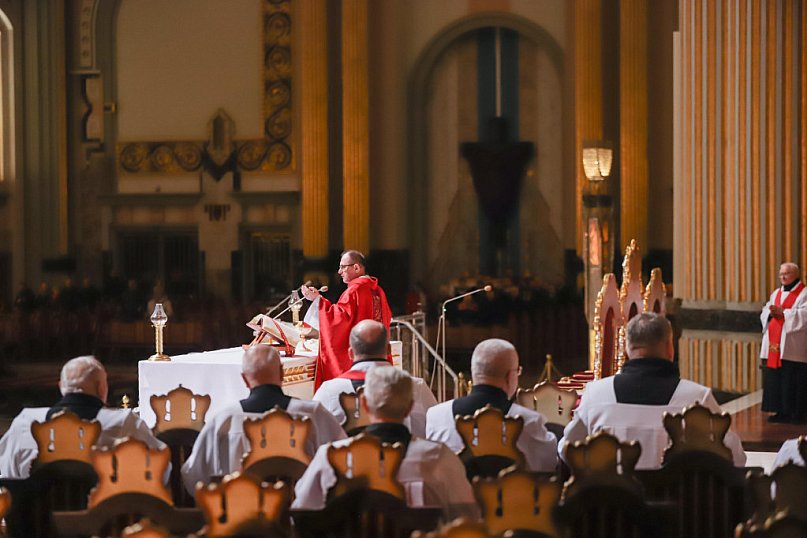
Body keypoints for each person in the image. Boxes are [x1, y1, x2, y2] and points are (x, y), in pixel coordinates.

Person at [559, 313, 746, 469]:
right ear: (669, 348)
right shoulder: (697, 398)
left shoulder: (596, 394)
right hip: (677, 509)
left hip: (613, 509)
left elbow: (566, 451)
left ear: (627, 348)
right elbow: (735, 457)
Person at [293, 367, 479, 521]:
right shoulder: (437, 457)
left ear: (364, 404)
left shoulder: (330, 457)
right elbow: (466, 518)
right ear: (409, 407)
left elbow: (301, 516)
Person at [181, 345, 346, 493]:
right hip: (300, 519)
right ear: (282, 373)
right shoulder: (313, 413)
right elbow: (344, 461)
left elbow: (194, 474)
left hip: (240, 519)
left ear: (245, 379)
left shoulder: (224, 419)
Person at [0, 356, 165, 478]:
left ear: (61, 387)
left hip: (37, 519)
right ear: (101, 388)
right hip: (103, 521)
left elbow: (6, 473)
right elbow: (161, 467)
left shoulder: (25, 423)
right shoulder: (124, 422)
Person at [425, 338, 558, 473]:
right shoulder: (528, 420)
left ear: (474, 372)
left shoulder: (436, 416)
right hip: (512, 493)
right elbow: (548, 466)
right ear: (510, 376)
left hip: (454, 494)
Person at [313, 320, 437, 436]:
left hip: (349, 459)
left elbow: (314, 435)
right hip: (407, 457)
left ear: (350, 353)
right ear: (389, 349)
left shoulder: (329, 391)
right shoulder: (415, 386)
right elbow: (435, 432)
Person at [301, 250, 392, 388]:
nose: (339, 271)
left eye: (343, 267)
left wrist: (317, 300)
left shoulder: (354, 291)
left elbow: (337, 320)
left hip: (359, 363)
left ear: (356, 267)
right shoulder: (378, 291)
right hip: (378, 357)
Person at [760, 262, 807, 423]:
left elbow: (804, 314)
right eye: (781, 274)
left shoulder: (804, 293)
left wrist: (784, 313)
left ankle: (795, 413)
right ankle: (779, 410)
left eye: (786, 274)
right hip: (775, 344)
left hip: (792, 346)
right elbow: (766, 309)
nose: (783, 277)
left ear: (795, 274)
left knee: (792, 379)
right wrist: (770, 312)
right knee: (777, 378)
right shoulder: (776, 293)